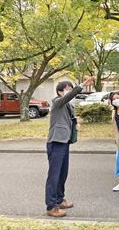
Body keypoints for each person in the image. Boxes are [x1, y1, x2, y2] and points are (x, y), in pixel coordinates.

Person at [45, 77, 94, 217]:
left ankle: (59, 200)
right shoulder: (57, 102)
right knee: (54, 176)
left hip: (64, 142)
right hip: (55, 142)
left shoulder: (68, 106)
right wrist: (83, 85)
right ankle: (51, 206)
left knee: (62, 173)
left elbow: (71, 117)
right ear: (60, 92)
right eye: (68, 89)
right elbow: (69, 97)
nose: (71, 91)